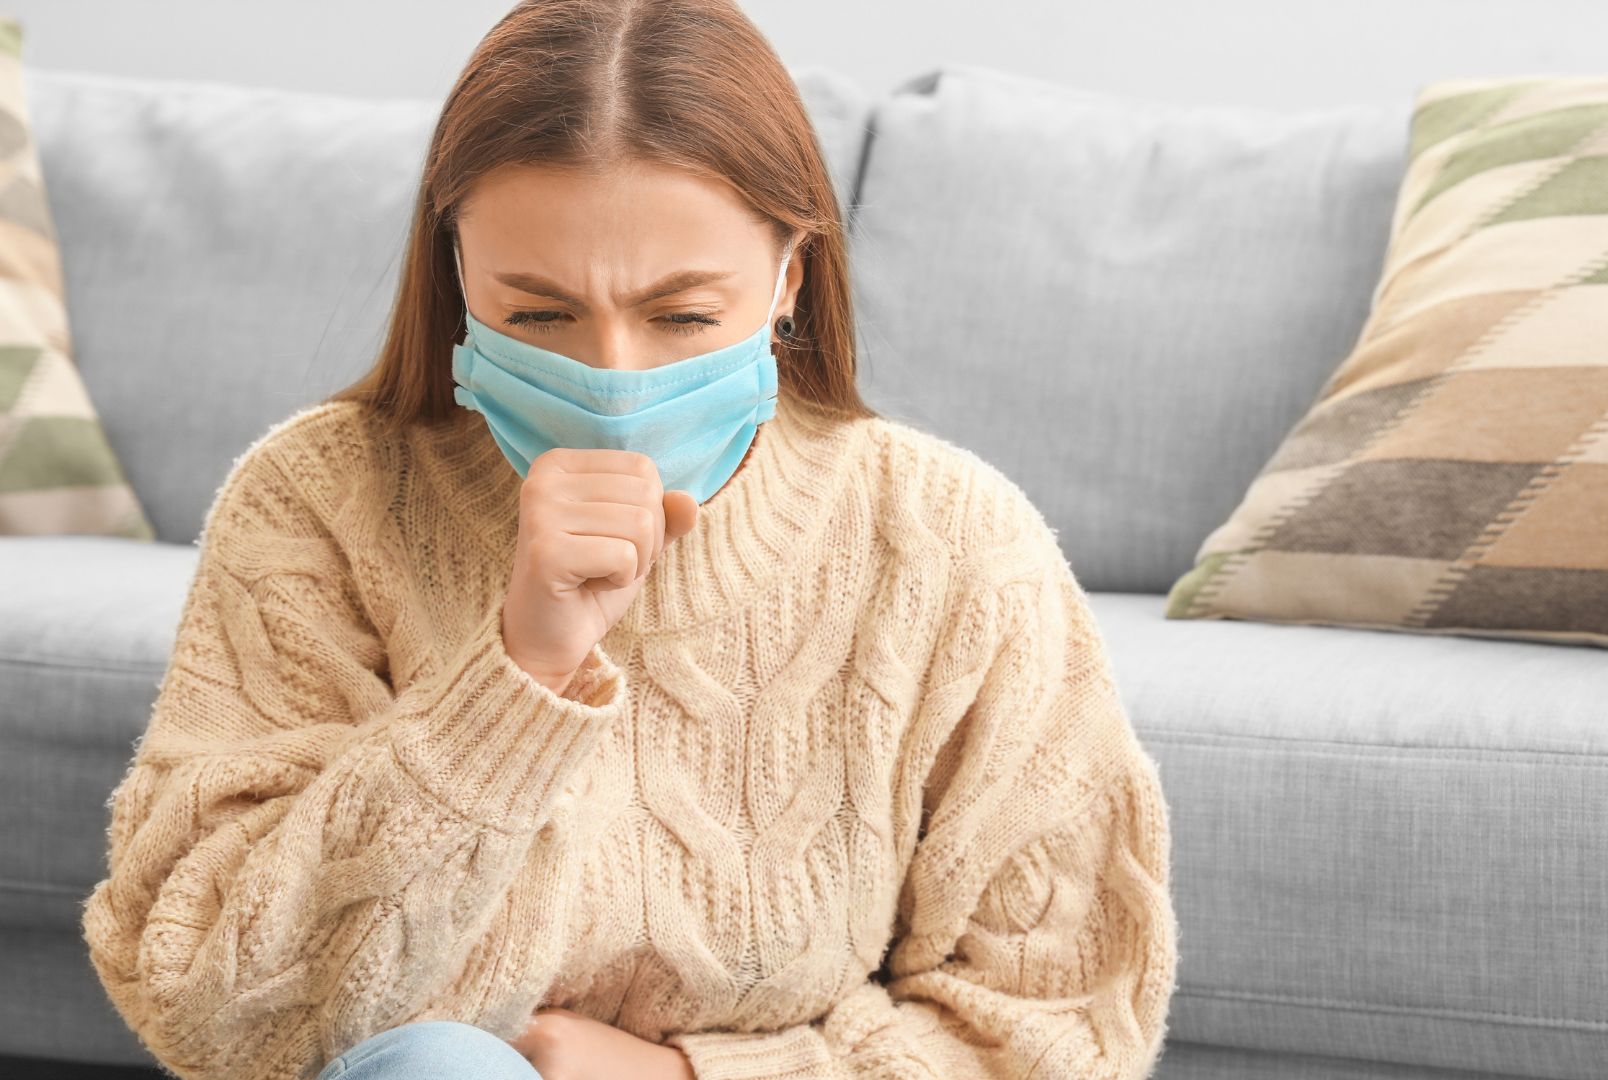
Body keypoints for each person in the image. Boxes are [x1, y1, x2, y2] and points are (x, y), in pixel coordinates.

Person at [78, 1, 1180, 1078]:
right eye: (540, 315)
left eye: (684, 315)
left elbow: (1055, 1030)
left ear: (789, 277)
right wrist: (519, 674)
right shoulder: (317, 501)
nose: (615, 378)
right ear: (457, 272)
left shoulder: (950, 545)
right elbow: (210, 1013)